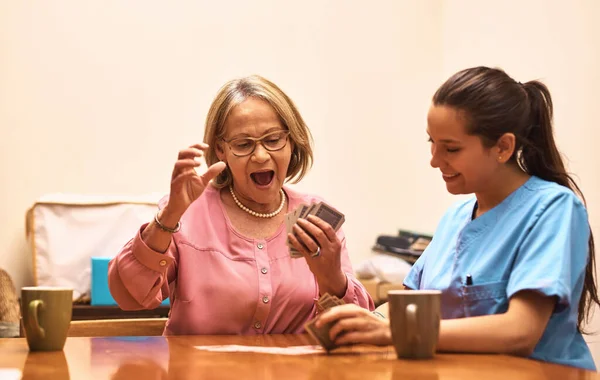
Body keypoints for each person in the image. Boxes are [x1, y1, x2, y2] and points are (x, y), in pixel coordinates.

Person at [316, 66, 598, 371]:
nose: (435, 160)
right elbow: (404, 310)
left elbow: (520, 331)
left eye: (451, 148)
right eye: (432, 143)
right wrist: (360, 321)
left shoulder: (554, 209)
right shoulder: (456, 218)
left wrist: (391, 333)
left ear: (503, 147)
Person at [108, 75, 374, 335]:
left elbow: (357, 329)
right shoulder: (187, 212)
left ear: (291, 142)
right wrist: (168, 218)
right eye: (243, 144)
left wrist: (332, 278)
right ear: (221, 150)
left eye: (273, 140)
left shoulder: (314, 215)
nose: (260, 155)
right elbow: (130, 298)